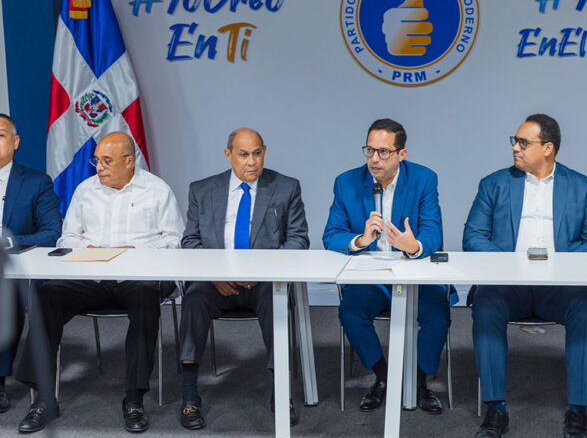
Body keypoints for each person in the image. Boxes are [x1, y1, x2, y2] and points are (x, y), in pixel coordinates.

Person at [14, 132, 185, 434]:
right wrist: (86, 249)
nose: (99, 168)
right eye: (97, 161)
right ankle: (44, 398)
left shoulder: (157, 190)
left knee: (145, 298)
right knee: (46, 295)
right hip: (91, 277)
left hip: (138, 277)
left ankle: (134, 398)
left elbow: (175, 240)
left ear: (129, 161)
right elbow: (68, 237)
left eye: (107, 161)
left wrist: (134, 251)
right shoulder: (85, 190)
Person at [465, 114, 587, 438]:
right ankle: (495, 408)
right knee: (486, 305)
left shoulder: (582, 187)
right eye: (514, 141)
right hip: (509, 284)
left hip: (560, 286)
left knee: (586, 308)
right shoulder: (493, 184)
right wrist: (510, 265)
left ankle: (578, 410)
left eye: (523, 143)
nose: (515, 148)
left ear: (548, 148)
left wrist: (560, 267)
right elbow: (473, 236)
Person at [177, 128, 309, 429]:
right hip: (215, 282)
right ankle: (190, 395)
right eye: (244, 154)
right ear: (228, 155)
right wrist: (214, 276)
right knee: (193, 300)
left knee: (276, 301)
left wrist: (263, 271)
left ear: (264, 152)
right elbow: (190, 241)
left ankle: (281, 391)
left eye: (257, 153)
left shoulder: (286, 187)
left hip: (264, 282)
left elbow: (298, 240)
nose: (252, 161)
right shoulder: (202, 190)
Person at [323, 118, 451, 414]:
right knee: (350, 312)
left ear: (401, 154)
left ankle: (419, 383)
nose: (374, 159)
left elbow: (433, 232)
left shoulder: (424, 179)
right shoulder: (346, 182)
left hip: (414, 273)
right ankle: (384, 377)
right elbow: (331, 234)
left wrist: (413, 245)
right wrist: (360, 240)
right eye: (369, 150)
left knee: (437, 315)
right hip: (370, 275)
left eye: (383, 152)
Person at [0, 113, 62, 414]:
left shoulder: (36, 183)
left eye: (0, 135)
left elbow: (52, 232)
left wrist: (7, 242)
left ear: (16, 142)